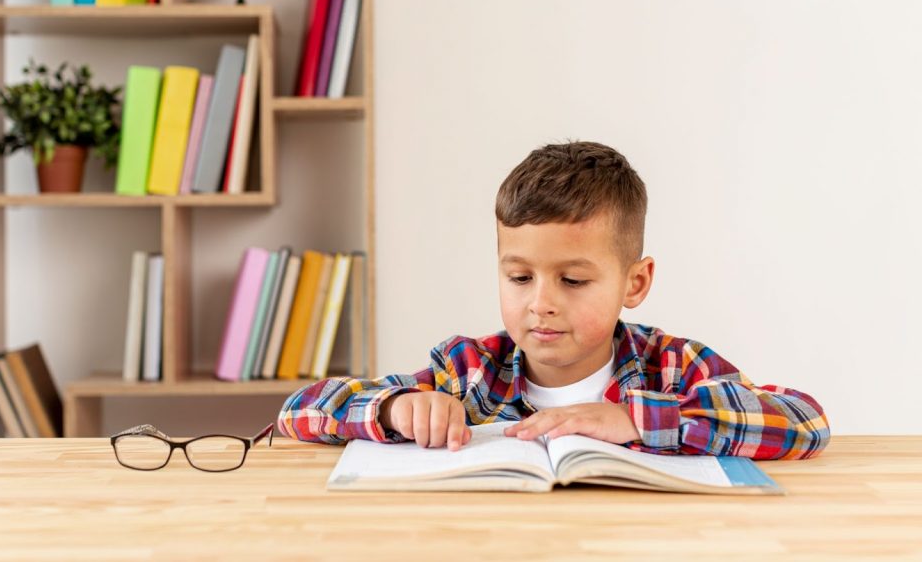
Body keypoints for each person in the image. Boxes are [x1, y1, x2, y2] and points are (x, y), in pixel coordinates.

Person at [277, 141, 830, 459]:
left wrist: (639, 420)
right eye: (520, 278)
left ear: (633, 284)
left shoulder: (674, 368)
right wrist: (397, 408)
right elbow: (299, 411)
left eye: (572, 281)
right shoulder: (467, 371)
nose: (540, 303)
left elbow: (805, 421)